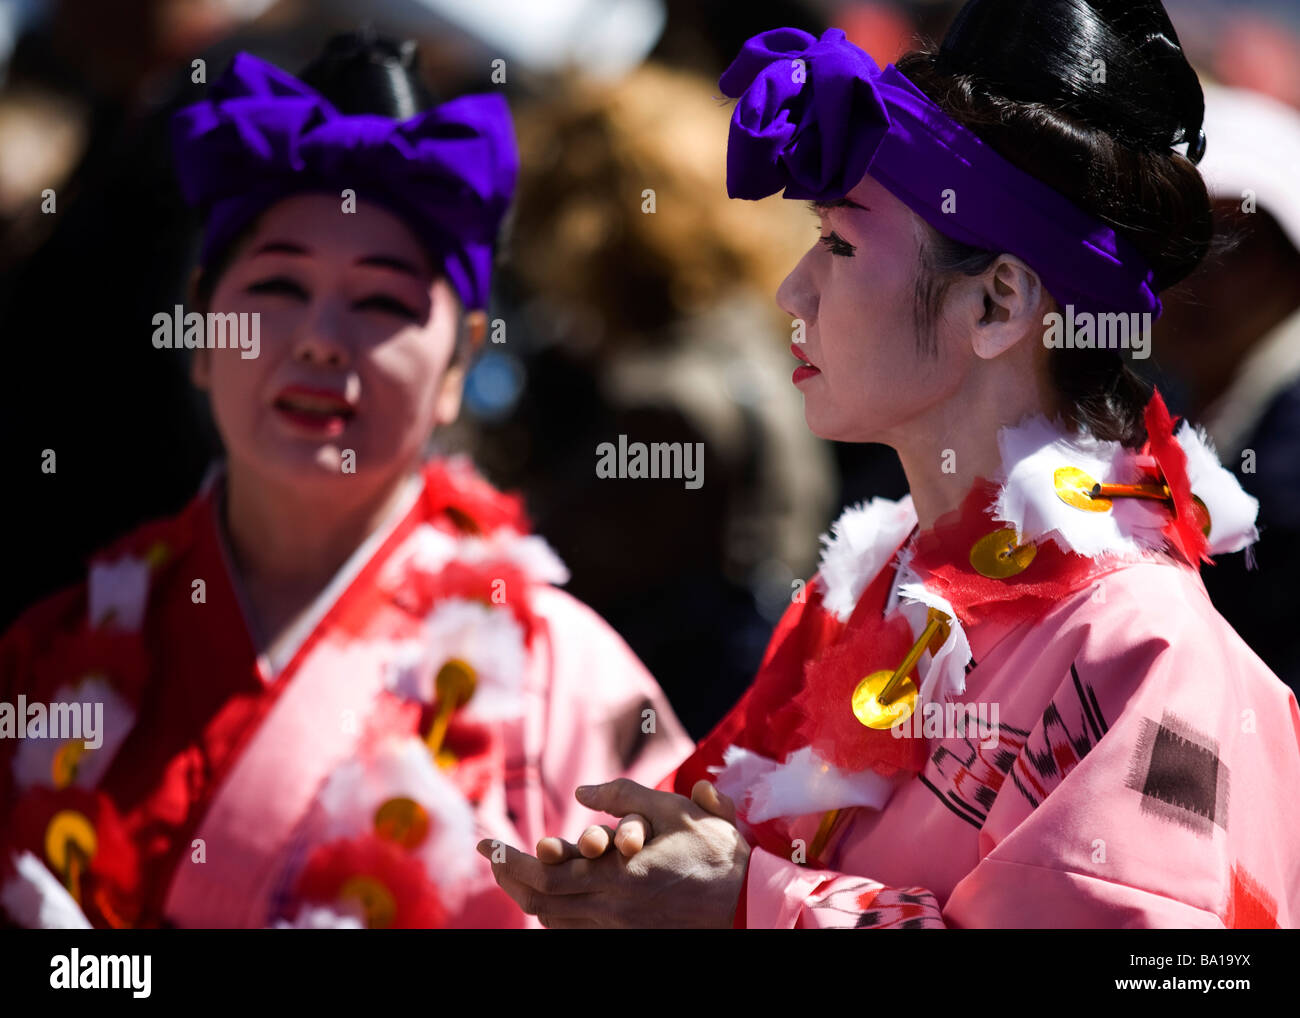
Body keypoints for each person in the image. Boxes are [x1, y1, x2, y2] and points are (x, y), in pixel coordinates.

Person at [481, 0, 1300, 928]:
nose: (793, 289)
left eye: (838, 242)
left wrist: (745, 902)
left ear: (997, 303)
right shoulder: (889, 582)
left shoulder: (1142, 644)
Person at [0, 32, 690, 930]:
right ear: (205, 328)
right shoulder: (56, 649)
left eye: (381, 301)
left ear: (460, 363)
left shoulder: (567, 674)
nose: (322, 339)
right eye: (278, 288)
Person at [1152, 82, 1300, 695]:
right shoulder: (1202, 403)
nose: (1203, 272)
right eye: (1183, 242)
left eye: (1239, 248)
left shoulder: (1289, 444)